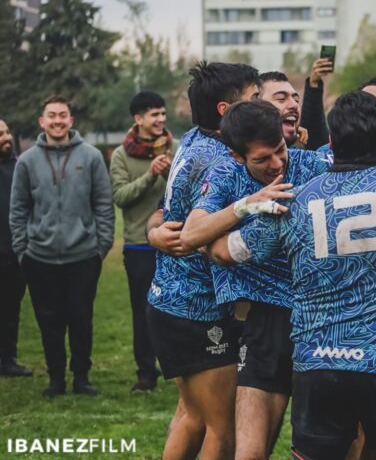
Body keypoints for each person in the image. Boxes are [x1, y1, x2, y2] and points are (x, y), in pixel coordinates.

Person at [210, 41, 376, 459]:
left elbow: (227, 251)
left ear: (333, 141)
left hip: (317, 363)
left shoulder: (291, 201)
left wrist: (209, 231)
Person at [178, 99, 330, 460]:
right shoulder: (225, 175)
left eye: (280, 149)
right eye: (262, 160)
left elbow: (369, 166)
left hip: (323, 319)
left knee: (328, 446)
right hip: (266, 320)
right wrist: (248, 204)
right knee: (248, 451)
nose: (277, 164)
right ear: (236, 155)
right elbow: (190, 234)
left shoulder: (313, 163)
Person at [146, 61, 260, 459]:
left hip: (166, 299)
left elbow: (164, 213)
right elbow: (203, 231)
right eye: (255, 100)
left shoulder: (192, 139)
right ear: (226, 112)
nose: (262, 108)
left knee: (191, 415)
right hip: (198, 308)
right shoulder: (223, 161)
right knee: (222, 429)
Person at [9, 96, 114, 397]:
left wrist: (101, 247)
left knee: (81, 319)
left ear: (71, 120)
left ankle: (81, 377)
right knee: (49, 322)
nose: (57, 120)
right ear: (42, 122)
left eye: (63, 115)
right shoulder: (27, 161)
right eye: (51, 116)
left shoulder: (91, 157)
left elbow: (103, 206)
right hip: (39, 258)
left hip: (83, 256)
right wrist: (23, 250)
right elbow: (18, 209)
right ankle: (56, 378)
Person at [110, 91, 177, 393]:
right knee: (143, 311)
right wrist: (151, 174)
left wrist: (166, 174)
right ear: (138, 119)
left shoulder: (175, 148)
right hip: (138, 245)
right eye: (154, 115)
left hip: (173, 243)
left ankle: (175, 365)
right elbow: (120, 196)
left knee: (173, 309)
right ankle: (145, 373)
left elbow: (182, 192)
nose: (161, 120)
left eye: (163, 114)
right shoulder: (122, 155)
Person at [0, 118, 33, 378]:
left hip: (14, 253)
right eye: (0, 134)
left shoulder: (20, 168)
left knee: (11, 310)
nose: (6, 138)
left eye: (7, 132)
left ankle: (7, 360)